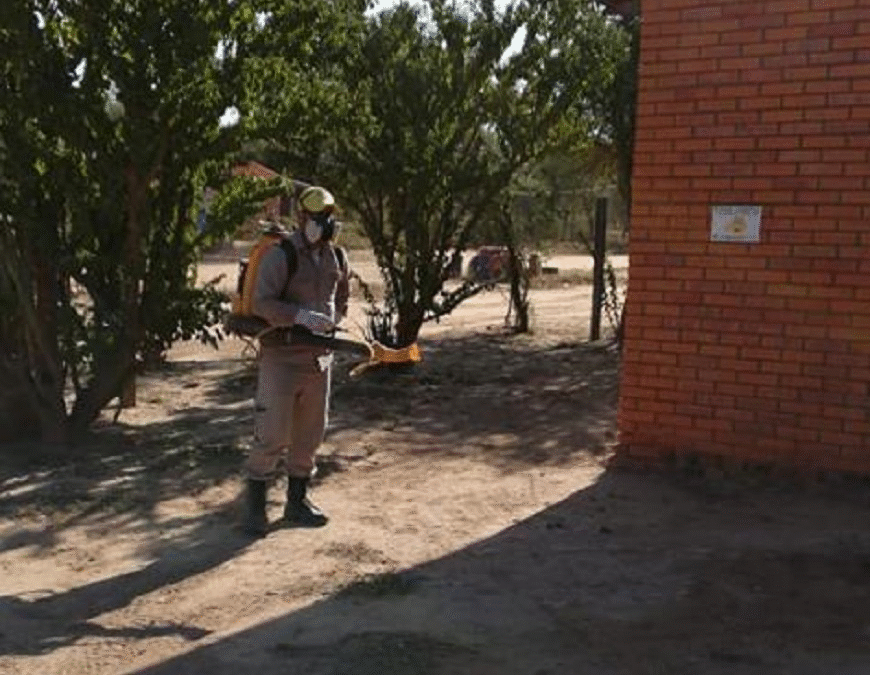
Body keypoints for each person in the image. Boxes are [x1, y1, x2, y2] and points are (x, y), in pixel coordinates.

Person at [241, 185, 350, 536]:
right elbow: (262, 303)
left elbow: (341, 295)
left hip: (320, 360)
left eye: (328, 217)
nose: (324, 223)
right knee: (271, 433)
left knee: (310, 434)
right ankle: (255, 508)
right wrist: (301, 316)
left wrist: (334, 320)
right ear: (302, 217)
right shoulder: (281, 254)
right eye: (318, 217)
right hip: (282, 358)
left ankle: (297, 501)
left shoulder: (337, 257)